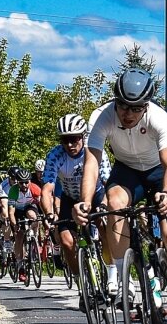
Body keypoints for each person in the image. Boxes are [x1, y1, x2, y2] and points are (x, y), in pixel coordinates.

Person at [73, 67, 167, 324]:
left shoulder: (158, 117)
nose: (126, 114)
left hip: (160, 174)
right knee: (111, 205)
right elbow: (92, 162)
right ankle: (126, 276)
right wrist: (84, 201)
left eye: (134, 109)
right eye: (122, 107)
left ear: (145, 106)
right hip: (127, 171)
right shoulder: (102, 116)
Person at [41, 113, 114, 304]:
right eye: (65, 140)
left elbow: (108, 183)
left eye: (74, 139)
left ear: (83, 137)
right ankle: (81, 281)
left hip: (97, 195)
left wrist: (105, 204)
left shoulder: (95, 150)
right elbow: (46, 190)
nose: (70, 144)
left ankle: (110, 270)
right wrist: (49, 214)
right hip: (70, 198)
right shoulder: (55, 155)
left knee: (103, 226)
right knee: (66, 241)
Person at [8, 168, 42, 282]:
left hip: (28, 207)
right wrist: (15, 225)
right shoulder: (13, 190)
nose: (24, 185)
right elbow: (11, 212)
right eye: (21, 182)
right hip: (17, 211)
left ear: (30, 181)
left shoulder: (34, 188)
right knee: (19, 237)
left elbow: (42, 205)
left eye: (26, 182)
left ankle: (35, 237)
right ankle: (20, 265)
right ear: (17, 182)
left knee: (33, 216)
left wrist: (46, 217)